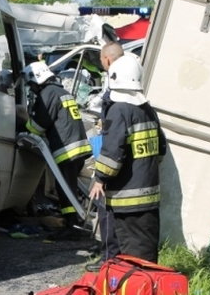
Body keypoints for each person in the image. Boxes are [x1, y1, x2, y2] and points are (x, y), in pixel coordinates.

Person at [88, 54, 165, 263]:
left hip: (127, 199)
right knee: (147, 255)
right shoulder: (147, 110)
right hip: (150, 197)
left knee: (131, 258)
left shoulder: (119, 110)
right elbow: (161, 150)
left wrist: (100, 178)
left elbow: (113, 153)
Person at [23, 61, 92, 240]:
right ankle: (72, 221)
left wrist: (24, 125)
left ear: (36, 79)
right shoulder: (61, 92)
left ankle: (72, 225)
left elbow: (38, 126)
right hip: (79, 147)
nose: (31, 89)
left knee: (65, 189)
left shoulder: (47, 94)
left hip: (67, 150)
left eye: (30, 84)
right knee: (68, 187)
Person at [85, 41, 124, 272]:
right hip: (123, 163)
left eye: (101, 60)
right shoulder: (126, 84)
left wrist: (100, 176)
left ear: (107, 60)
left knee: (106, 208)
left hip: (110, 159)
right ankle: (111, 258)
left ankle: (109, 261)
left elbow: (112, 136)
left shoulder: (115, 86)